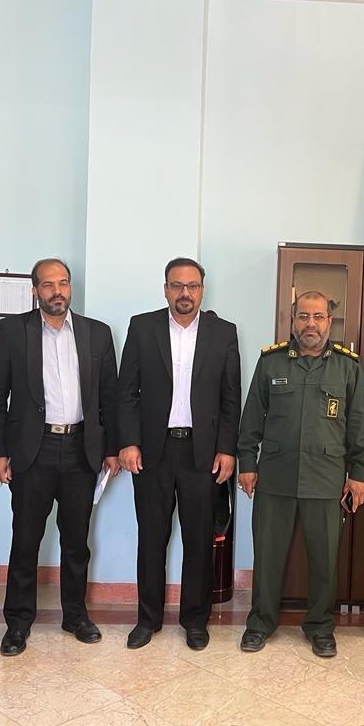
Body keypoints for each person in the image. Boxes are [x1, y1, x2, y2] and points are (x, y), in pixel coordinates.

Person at [0, 258, 120, 656]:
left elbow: (110, 398)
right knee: (26, 540)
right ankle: (17, 624)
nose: (57, 291)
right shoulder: (12, 331)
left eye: (63, 283)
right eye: (48, 284)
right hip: (33, 450)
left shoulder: (97, 333)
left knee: (77, 541)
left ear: (70, 287)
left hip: (81, 450)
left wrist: (112, 449)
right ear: (35, 290)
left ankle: (75, 615)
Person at [237, 291, 364, 658]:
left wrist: (360, 473)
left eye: (317, 317)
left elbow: (360, 426)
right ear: (293, 320)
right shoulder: (271, 362)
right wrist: (247, 463)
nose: (310, 324)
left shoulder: (347, 366)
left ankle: (320, 627)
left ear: (329, 322)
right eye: (303, 317)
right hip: (275, 476)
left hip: (326, 478)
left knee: (324, 559)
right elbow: (252, 418)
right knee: (268, 555)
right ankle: (260, 623)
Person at [117, 258, 241, 651]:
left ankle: (195, 621)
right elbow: (126, 392)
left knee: (199, 541)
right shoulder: (142, 327)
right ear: (166, 289)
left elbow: (230, 398)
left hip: (202, 454)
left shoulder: (224, 332)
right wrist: (128, 442)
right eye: (177, 285)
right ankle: (147, 619)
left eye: (192, 286)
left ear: (202, 289)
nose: (185, 293)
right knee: (151, 539)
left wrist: (227, 449)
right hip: (152, 452)